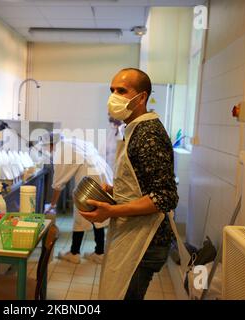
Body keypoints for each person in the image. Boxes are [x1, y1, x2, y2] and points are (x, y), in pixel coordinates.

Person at [79, 68, 179, 300]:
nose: (114, 96)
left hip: (145, 239)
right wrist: (116, 190)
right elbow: (144, 183)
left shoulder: (148, 134)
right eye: (112, 90)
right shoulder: (135, 129)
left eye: (122, 90)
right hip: (134, 233)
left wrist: (111, 210)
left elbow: (165, 197)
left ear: (142, 97)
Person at [42, 133, 113, 264]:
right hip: (101, 174)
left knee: (81, 214)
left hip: (89, 180)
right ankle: (99, 253)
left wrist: (52, 205)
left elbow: (58, 184)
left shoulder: (61, 151)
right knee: (98, 215)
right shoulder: (72, 142)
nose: (48, 150)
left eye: (47, 147)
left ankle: (74, 253)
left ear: (52, 144)